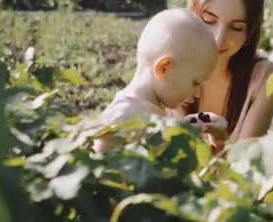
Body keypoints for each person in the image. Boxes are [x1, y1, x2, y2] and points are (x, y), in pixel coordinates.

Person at [180, 0, 273, 149]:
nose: (219, 39)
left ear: (250, 32)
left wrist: (220, 141)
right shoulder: (171, 66)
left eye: (236, 27)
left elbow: (245, 168)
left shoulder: (264, 78)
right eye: (209, 21)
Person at [93, 8, 219, 154]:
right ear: (164, 68)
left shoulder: (152, 110)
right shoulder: (124, 115)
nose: (197, 93)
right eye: (195, 82)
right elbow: (101, 164)